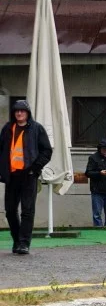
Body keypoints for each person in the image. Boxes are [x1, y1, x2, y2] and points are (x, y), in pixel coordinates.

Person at [0, 100, 52, 255]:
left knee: (27, 211)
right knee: (10, 211)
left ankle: (24, 243)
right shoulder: (8, 129)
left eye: (22, 111)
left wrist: (35, 169)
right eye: (16, 111)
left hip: (28, 175)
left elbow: (47, 151)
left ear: (27, 113)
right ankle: (17, 240)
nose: (19, 113)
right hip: (12, 176)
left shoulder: (37, 129)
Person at [85, 139, 106, 227]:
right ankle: (98, 232)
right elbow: (88, 173)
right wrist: (99, 173)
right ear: (99, 149)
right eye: (103, 149)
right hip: (97, 191)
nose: (105, 150)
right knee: (97, 214)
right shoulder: (93, 158)